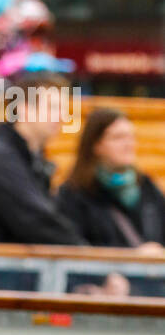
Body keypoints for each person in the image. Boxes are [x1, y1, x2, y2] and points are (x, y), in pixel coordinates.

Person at [0, 74, 86, 245]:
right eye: (52, 107)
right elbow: (38, 223)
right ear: (23, 108)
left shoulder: (29, 160)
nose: (62, 117)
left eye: (63, 109)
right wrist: (88, 256)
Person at [56, 108, 165, 253]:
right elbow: (74, 248)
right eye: (118, 137)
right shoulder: (74, 195)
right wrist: (131, 256)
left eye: (131, 137)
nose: (129, 144)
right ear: (96, 145)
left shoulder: (146, 187)